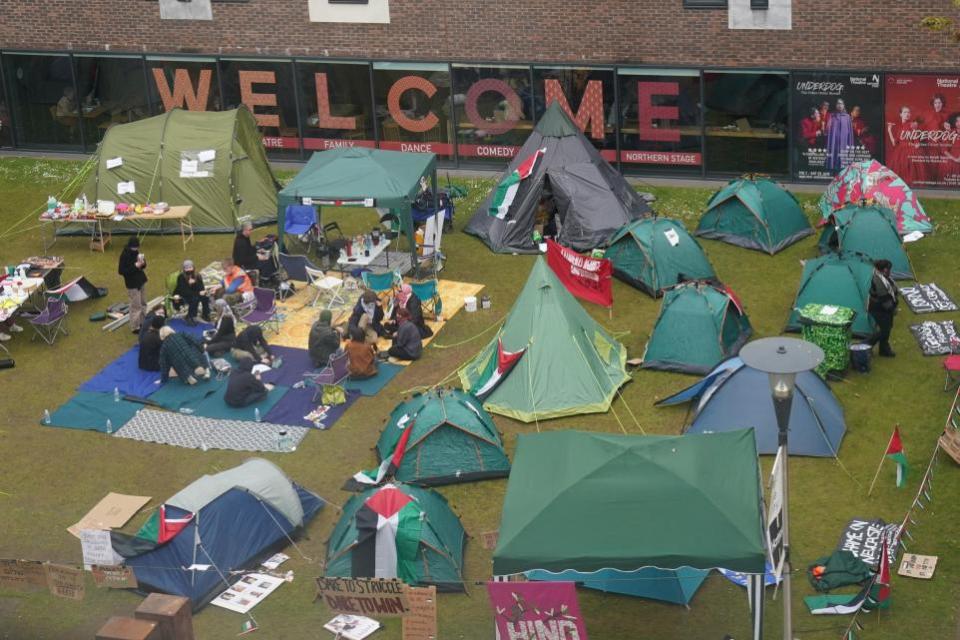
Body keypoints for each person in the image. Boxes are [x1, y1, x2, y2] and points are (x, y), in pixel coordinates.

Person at [868, 259, 899, 358]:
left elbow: (892, 288)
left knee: (887, 328)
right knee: (883, 330)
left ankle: (884, 349)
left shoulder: (883, 277)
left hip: (882, 308)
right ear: (885, 269)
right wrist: (892, 309)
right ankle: (866, 345)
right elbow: (884, 299)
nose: (890, 271)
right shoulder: (879, 281)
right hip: (879, 309)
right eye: (889, 269)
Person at [118, 236, 147, 334]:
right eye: (134, 247)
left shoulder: (136, 253)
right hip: (132, 284)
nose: (136, 249)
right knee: (135, 305)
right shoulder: (124, 255)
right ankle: (135, 327)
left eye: (137, 247)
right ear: (130, 246)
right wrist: (135, 266)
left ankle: (143, 322)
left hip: (141, 281)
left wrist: (142, 263)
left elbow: (143, 266)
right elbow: (121, 271)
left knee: (143, 302)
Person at [173, 259, 210, 325]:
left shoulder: (197, 276)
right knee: (194, 299)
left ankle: (205, 314)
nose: (189, 270)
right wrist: (189, 285)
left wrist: (196, 284)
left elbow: (201, 288)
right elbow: (184, 291)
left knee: (205, 297)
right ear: (184, 269)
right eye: (187, 268)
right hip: (183, 295)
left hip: (195, 293)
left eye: (190, 267)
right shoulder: (181, 277)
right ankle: (190, 316)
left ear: (193, 267)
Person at [826, 98, 854, 173]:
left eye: (841, 103)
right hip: (834, 142)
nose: (839, 105)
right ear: (836, 105)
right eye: (838, 103)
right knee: (834, 157)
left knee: (844, 159)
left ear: (844, 105)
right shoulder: (832, 116)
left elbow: (850, 132)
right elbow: (828, 130)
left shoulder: (847, 117)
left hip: (844, 142)